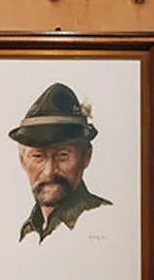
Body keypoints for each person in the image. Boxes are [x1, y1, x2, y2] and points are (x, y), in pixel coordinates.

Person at [11, 82, 112, 242]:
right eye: (38, 156)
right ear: (22, 160)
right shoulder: (28, 233)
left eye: (62, 155)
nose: (50, 171)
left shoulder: (107, 222)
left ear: (86, 157)